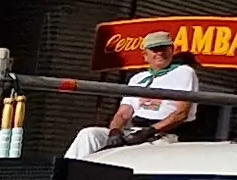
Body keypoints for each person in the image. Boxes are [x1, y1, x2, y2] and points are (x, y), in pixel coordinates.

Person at [67, 30, 200, 158]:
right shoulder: (137, 78)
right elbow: (123, 113)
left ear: (172, 50)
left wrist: (150, 131)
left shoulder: (184, 72)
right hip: (134, 131)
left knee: (137, 153)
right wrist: (115, 132)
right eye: (154, 49)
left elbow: (181, 113)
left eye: (163, 48)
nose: (159, 53)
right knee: (89, 134)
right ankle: (64, 174)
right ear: (145, 55)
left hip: (165, 134)